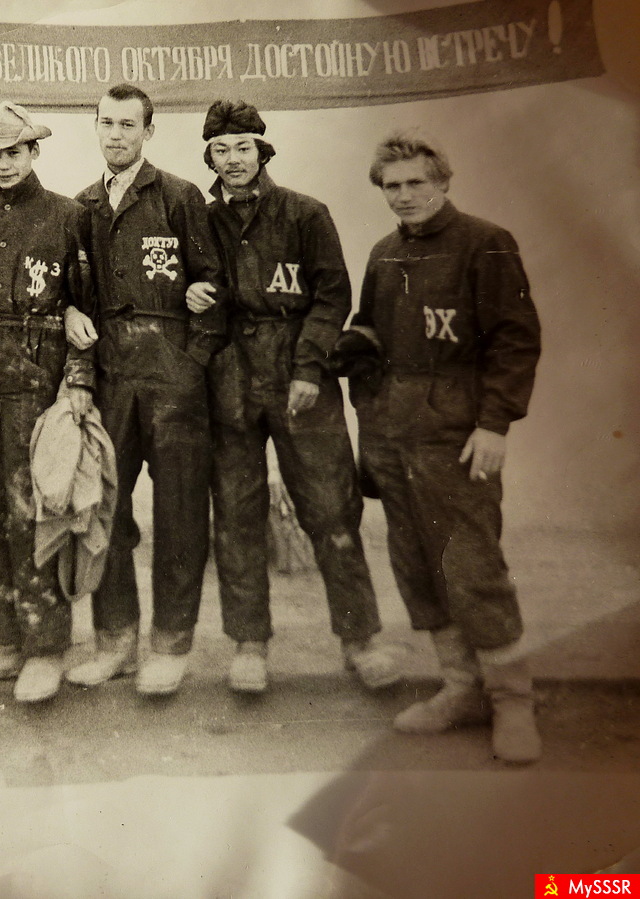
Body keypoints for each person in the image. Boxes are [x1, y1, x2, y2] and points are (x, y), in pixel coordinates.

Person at [346, 130, 542, 762]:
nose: (404, 195)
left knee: (471, 567)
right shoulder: (384, 254)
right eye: (392, 186)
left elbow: (515, 340)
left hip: (456, 437)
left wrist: (495, 425)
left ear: (443, 182)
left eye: (416, 183)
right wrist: (352, 361)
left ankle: (512, 700)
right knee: (417, 566)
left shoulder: (486, 243)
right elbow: (370, 334)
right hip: (393, 435)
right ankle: (460, 688)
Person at [198, 100, 399, 694]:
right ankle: (249, 643)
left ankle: (360, 640)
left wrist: (309, 369)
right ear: (209, 157)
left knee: (332, 509)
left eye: (243, 147)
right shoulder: (201, 221)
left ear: (262, 151)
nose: (233, 160)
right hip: (230, 377)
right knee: (236, 514)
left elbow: (332, 296)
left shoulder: (305, 213)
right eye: (220, 150)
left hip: (300, 374)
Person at [67, 83, 225, 696]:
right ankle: (116, 642)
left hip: (171, 373)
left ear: (148, 132)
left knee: (180, 511)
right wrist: (70, 317)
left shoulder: (180, 197)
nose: (116, 135)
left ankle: (170, 645)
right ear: (96, 128)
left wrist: (191, 363)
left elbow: (214, 285)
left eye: (128, 125)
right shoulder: (81, 206)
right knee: (104, 508)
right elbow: (72, 293)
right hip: (111, 375)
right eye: (107, 123)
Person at [0, 102, 96, 704]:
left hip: (40, 384)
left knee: (36, 512)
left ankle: (46, 649)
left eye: (14, 152)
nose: (4, 164)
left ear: (34, 150)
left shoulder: (69, 217)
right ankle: (4, 643)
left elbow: (88, 306)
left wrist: (79, 379)